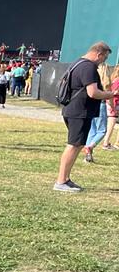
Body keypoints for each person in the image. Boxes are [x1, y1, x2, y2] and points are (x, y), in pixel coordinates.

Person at [55, 42, 115, 192]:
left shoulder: (77, 63)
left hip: (75, 110)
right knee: (73, 145)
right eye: (104, 58)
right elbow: (93, 92)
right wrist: (109, 94)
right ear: (98, 54)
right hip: (79, 112)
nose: (104, 61)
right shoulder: (88, 67)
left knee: (77, 145)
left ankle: (66, 179)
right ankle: (61, 181)